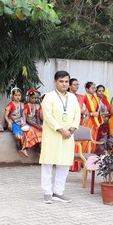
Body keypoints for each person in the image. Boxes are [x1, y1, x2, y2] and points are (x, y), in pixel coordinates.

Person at [39, 71, 82, 204]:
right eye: (61, 81)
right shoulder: (49, 97)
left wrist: (72, 129)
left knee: (64, 164)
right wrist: (61, 129)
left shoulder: (73, 97)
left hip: (68, 135)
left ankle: (59, 192)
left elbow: (77, 115)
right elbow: (48, 116)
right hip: (53, 134)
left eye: (66, 81)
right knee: (48, 163)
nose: (64, 84)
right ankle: (47, 192)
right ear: (55, 82)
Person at [4, 87, 29, 157]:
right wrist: (9, 122)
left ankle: (24, 149)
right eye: (16, 95)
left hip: (20, 121)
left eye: (19, 95)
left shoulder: (22, 105)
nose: (18, 97)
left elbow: (24, 114)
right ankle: (20, 148)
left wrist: (24, 122)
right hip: (12, 122)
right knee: (18, 135)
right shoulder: (10, 105)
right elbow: (5, 115)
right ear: (12, 96)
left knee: (27, 132)